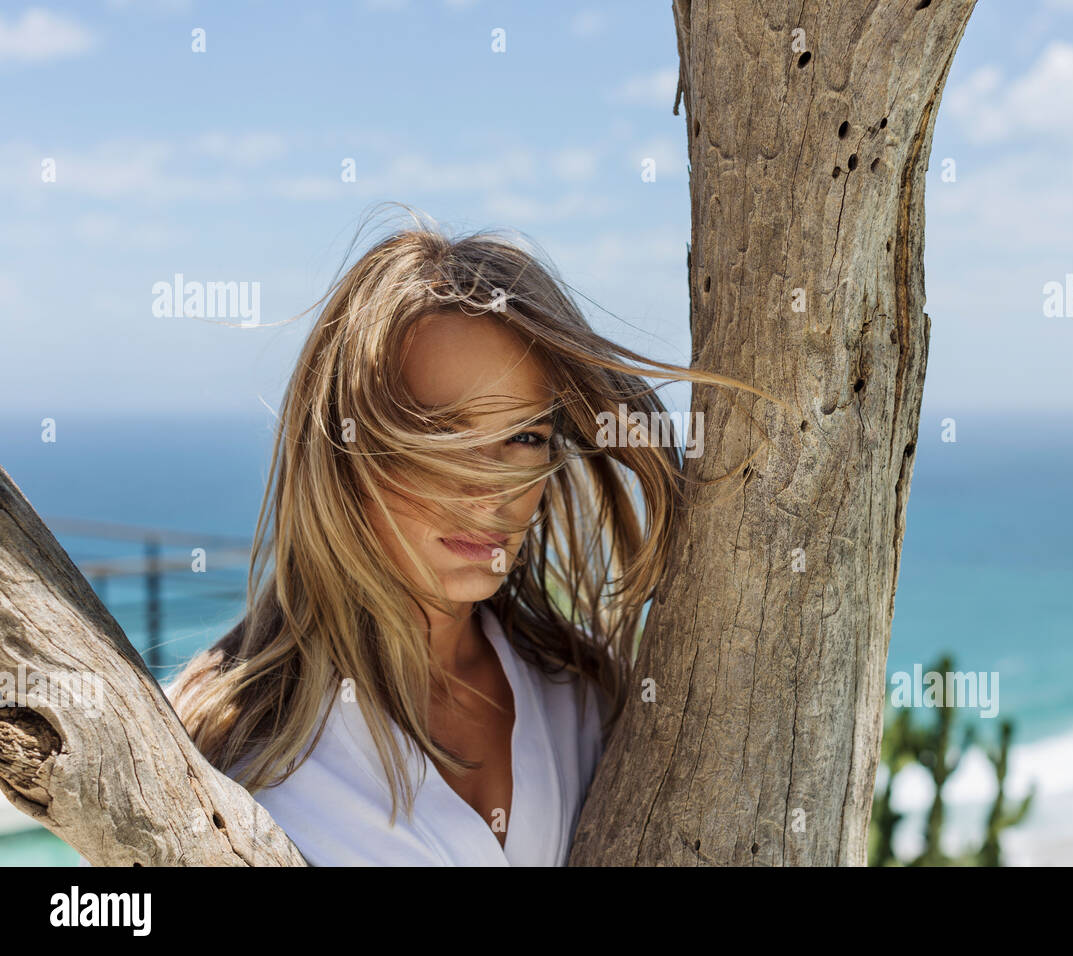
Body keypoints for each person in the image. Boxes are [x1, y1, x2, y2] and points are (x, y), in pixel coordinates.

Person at [163, 206, 764, 865]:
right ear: (344, 453)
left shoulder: (587, 701)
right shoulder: (216, 742)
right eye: (443, 435)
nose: (491, 491)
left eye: (524, 438)